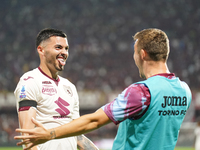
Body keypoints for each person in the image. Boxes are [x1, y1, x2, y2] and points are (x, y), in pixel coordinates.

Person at [14, 28, 192, 150]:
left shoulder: (142, 92)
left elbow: (94, 121)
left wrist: (49, 134)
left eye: (135, 51)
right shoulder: (184, 91)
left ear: (143, 54)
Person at [14, 28, 98, 150]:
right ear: (41, 50)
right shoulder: (30, 81)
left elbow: (77, 135)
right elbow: (28, 136)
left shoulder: (70, 87)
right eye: (58, 47)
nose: (64, 52)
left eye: (66, 48)